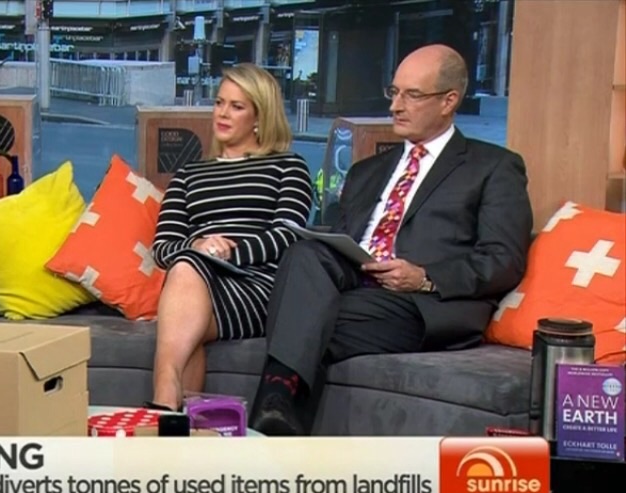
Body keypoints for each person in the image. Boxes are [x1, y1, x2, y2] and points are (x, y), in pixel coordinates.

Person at [248, 44, 533, 436]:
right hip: (354, 283)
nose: (396, 106)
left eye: (412, 95)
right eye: (394, 92)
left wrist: (425, 277)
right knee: (305, 252)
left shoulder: (494, 167)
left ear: (449, 101)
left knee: (298, 319)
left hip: (421, 303)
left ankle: (274, 410)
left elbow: (504, 259)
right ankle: (279, 419)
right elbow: (336, 243)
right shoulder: (367, 171)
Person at [147, 63, 315, 411]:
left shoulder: (288, 166)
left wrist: (228, 253)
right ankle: (177, 416)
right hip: (197, 280)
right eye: (219, 103)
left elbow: (288, 234)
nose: (222, 113)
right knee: (186, 276)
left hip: (258, 284)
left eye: (236, 106)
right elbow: (162, 248)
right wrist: (198, 246)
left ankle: (163, 399)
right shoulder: (188, 175)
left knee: (187, 283)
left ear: (259, 117)